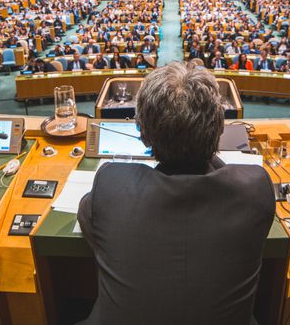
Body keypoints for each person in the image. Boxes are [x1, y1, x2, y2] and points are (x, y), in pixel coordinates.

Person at [77, 63, 275, 324]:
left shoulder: (111, 183)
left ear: (143, 135)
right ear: (219, 129)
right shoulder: (255, 187)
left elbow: (87, 218)